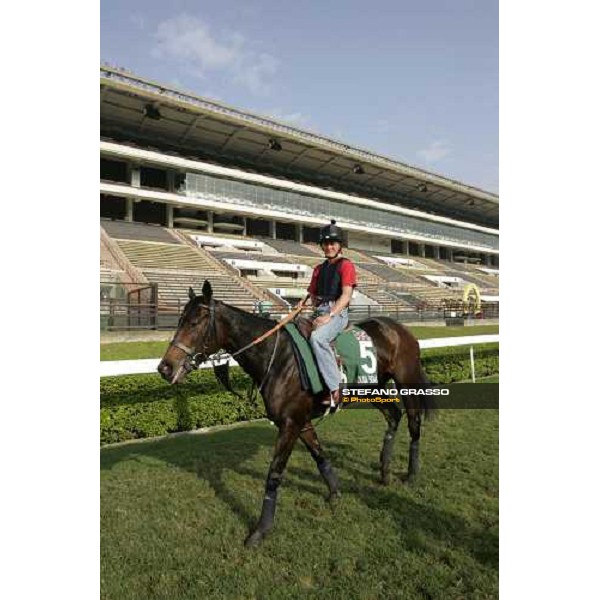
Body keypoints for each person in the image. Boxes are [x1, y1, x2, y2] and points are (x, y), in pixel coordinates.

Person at [306, 219, 357, 407]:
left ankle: (335, 387)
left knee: (318, 339)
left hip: (338, 312)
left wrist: (329, 315)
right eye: (325, 244)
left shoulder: (346, 265)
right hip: (320, 310)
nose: (329, 247)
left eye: (332, 243)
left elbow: (346, 295)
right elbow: (312, 294)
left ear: (339, 245)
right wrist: (316, 309)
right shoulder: (319, 269)